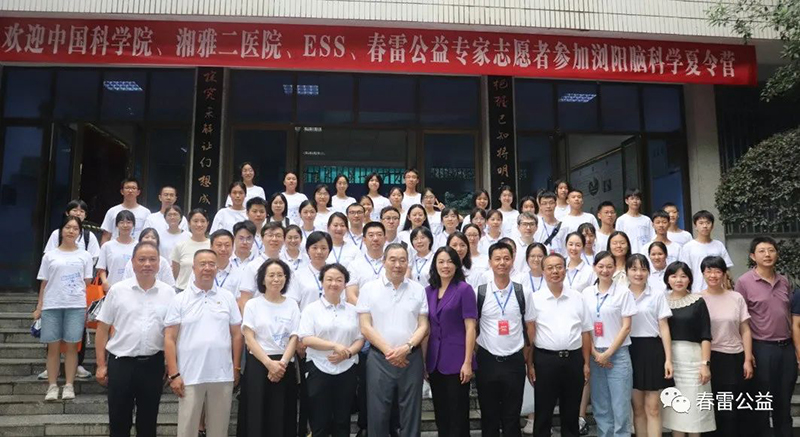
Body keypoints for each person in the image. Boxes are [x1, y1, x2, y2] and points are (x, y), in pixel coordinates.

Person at [95, 241, 176, 437]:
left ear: (159, 263)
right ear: (132, 262)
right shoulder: (117, 290)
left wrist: (170, 363)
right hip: (121, 364)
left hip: (153, 364)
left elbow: (172, 333)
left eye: (152, 259)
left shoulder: (169, 293)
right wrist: (100, 365)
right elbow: (102, 329)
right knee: (118, 422)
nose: (147, 264)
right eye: (142, 259)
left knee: (148, 423)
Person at [165, 250, 243, 437]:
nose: (207, 268)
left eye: (211, 264)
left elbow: (237, 335)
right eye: (202, 264)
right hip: (189, 375)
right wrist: (174, 374)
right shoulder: (180, 299)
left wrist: (236, 367)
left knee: (219, 430)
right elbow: (169, 338)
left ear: (217, 268)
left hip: (222, 375)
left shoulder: (227, 297)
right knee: (187, 430)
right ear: (193, 268)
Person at [357, 243, 429, 437]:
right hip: (379, 359)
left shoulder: (418, 289)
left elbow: (423, 325)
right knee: (377, 412)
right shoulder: (369, 289)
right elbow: (365, 326)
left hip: (411, 358)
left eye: (402, 260)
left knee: (411, 412)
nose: (398, 265)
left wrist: (406, 347)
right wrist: (390, 351)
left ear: (408, 263)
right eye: (393, 260)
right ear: (384, 261)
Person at [736, 236, 795, 436]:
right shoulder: (744, 282)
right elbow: (740, 320)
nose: (767, 255)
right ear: (753, 256)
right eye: (762, 251)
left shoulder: (784, 281)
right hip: (761, 348)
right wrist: (748, 354)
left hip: (786, 348)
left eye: (771, 250)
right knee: (761, 402)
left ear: (776, 254)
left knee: (784, 402)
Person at [475, 242, 534, 437]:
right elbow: (473, 327)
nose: (502, 263)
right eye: (497, 259)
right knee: (489, 415)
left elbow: (530, 327)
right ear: (490, 262)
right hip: (487, 360)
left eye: (506, 258)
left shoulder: (522, 292)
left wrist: (526, 356)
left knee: (512, 416)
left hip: (514, 360)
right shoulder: (480, 292)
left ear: (513, 260)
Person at [530, 253, 593, 437]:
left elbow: (585, 332)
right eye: (550, 268)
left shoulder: (577, 298)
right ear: (543, 271)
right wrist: (530, 363)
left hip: (573, 360)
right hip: (545, 360)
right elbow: (531, 335)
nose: (555, 271)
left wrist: (586, 363)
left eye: (559, 267)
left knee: (571, 413)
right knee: (543, 412)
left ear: (565, 270)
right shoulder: (535, 299)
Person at [299, 264, 365, 437]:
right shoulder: (311, 309)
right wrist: (334, 346)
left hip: (347, 368)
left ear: (345, 284)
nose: (334, 283)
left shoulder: (353, 311)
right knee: (319, 421)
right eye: (329, 279)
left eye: (339, 280)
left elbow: (360, 338)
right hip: (318, 368)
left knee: (342, 421)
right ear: (322, 282)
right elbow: (306, 338)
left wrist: (347, 353)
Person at [33, 216, 94, 401]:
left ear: (79, 232)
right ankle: (52, 385)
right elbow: (44, 283)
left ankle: (69, 385)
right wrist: (39, 306)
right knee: (53, 347)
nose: (71, 231)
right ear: (61, 230)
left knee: (72, 347)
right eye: (68, 227)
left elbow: (87, 282)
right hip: (52, 305)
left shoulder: (85, 256)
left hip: (75, 305)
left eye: (75, 228)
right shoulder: (50, 256)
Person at [237, 259, 299, 437]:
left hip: (284, 365)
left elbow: (294, 337)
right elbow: (249, 338)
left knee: (282, 414)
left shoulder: (292, 304)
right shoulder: (253, 304)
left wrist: (281, 364)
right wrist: (269, 363)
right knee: (256, 413)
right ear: (263, 280)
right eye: (271, 275)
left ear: (286, 279)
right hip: (259, 363)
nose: (276, 279)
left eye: (280, 275)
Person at [423, 247, 477, 437]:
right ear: (435, 265)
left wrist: (467, 362)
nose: (445, 266)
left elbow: (470, 327)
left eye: (450, 261)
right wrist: (424, 362)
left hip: (457, 361)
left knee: (458, 415)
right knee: (441, 414)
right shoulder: (428, 291)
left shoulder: (464, 289)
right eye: (441, 262)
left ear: (457, 265)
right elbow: (426, 329)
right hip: (434, 361)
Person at [583, 251, 638, 437]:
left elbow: (626, 327)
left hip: (618, 354)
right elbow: (585, 327)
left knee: (620, 407)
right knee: (600, 406)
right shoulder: (586, 293)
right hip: (594, 355)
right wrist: (595, 353)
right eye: (601, 266)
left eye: (609, 266)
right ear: (594, 267)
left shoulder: (623, 292)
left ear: (615, 268)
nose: (605, 270)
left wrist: (607, 354)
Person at [701, 256, 753, 437]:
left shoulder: (736, 297)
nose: (713, 275)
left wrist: (747, 359)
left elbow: (745, 329)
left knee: (731, 408)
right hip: (708, 358)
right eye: (709, 271)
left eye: (717, 271)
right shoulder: (697, 299)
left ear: (724, 274)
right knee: (710, 407)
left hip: (733, 357)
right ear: (703, 274)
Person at [662, 261, 716, 435]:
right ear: (667, 279)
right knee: (676, 412)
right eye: (674, 276)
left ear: (690, 279)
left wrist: (705, 364)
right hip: (670, 360)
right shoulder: (662, 301)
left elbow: (706, 335)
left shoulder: (698, 301)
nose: (679, 280)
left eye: (683, 276)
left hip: (694, 361)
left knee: (694, 412)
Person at [628, 254, 673, 437]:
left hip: (652, 350)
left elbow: (664, 327)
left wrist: (668, 359)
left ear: (648, 272)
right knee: (637, 408)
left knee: (653, 407)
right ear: (627, 272)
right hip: (629, 349)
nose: (638, 273)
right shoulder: (621, 294)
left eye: (643, 269)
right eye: (634, 269)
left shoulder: (657, 294)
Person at [679, 210, 734, 293]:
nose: (705, 226)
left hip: (718, 291)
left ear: (712, 226)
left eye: (708, 223)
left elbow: (726, 269)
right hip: (697, 291)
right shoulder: (688, 247)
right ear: (695, 226)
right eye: (701, 223)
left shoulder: (719, 245)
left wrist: (727, 288)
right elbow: (685, 271)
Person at [238, 222, 285, 306]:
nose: (274, 239)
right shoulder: (252, 266)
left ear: (284, 240)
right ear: (262, 239)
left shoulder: (288, 266)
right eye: (270, 235)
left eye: (278, 236)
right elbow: (244, 300)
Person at [170, 209, 210, 292]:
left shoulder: (213, 246)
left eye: (203, 221)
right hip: (182, 290)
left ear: (207, 223)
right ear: (189, 223)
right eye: (195, 221)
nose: (199, 224)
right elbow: (176, 272)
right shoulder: (180, 246)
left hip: (206, 291)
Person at [100, 178, 151, 244]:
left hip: (137, 248)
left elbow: (148, 235)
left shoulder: (146, 212)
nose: (130, 191)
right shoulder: (112, 211)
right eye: (127, 188)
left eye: (133, 188)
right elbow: (106, 236)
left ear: (138, 192)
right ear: (122, 191)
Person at [98, 210, 137, 292]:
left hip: (134, 288)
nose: (125, 225)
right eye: (121, 222)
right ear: (116, 225)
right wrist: (105, 282)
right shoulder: (107, 246)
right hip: (112, 288)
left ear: (133, 224)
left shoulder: (139, 246)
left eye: (128, 222)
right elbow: (101, 268)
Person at [614, 189, 655, 255]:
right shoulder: (621, 220)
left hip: (645, 255)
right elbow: (619, 239)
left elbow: (652, 237)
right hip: (629, 255)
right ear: (626, 201)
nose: (635, 201)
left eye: (637, 199)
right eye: (632, 198)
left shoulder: (647, 220)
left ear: (640, 201)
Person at [208, 229, 243, 297]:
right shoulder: (202, 270)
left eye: (227, 245)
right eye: (219, 245)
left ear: (233, 247)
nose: (223, 249)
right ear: (211, 247)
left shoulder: (240, 273)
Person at [534, 191, 565, 255]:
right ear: (540, 205)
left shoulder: (564, 226)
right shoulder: (536, 226)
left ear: (556, 204)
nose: (548, 206)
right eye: (544, 203)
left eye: (551, 203)